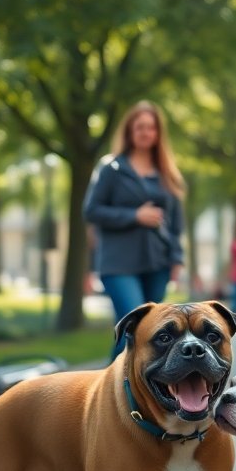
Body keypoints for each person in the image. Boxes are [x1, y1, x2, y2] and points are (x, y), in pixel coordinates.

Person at [83, 100, 186, 359]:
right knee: (133, 327)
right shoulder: (112, 168)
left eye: (151, 127)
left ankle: (134, 395)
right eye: (139, 127)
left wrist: (177, 259)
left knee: (152, 334)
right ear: (129, 131)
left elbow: (175, 224)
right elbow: (91, 210)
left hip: (158, 263)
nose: (145, 132)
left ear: (158, 133)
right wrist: (135, 215)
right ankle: (105, 394)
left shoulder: (167, 173)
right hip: (118, 264)